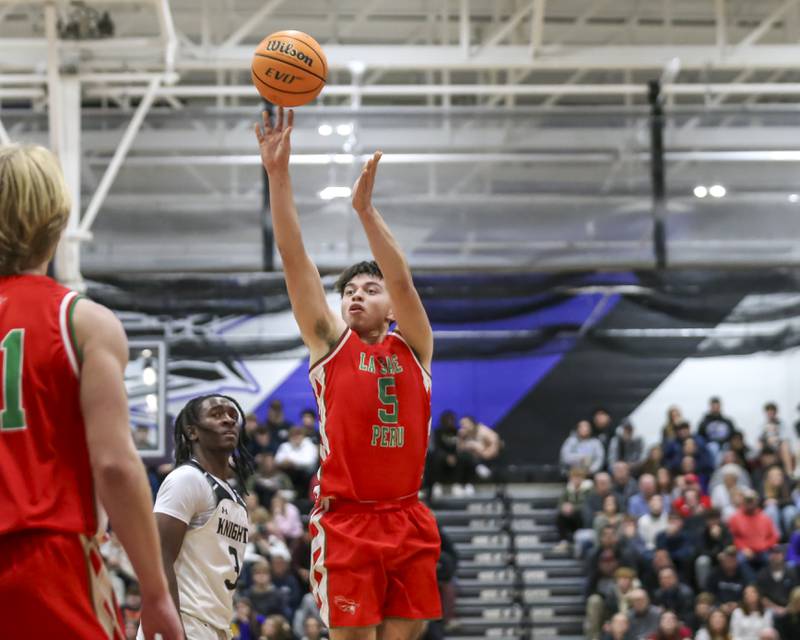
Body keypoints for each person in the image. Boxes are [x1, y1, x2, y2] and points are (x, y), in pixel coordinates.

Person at [255, 107, 441, 637]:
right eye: (349, 292)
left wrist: (365, 210)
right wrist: (278, 175)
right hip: (348, 520)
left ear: (391, 308)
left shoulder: (415, 347)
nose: (356, 296)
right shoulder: (329, 345)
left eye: (369, 290)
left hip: (407, 515)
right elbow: (294, 257)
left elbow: (402, 282)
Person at [0, 144, 182, 640]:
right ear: (57, 221)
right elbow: (115, 466)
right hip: (45, 559)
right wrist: (155, 591)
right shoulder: (82, 322)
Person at [141, 394, 254, 639]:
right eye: (216, 414)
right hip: (183, 622)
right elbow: (158, 558)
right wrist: (173, 630)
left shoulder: (234, 496)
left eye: (232, 415)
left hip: (215, 626)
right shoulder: (186, 479)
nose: (228, 420)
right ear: (192, 432)